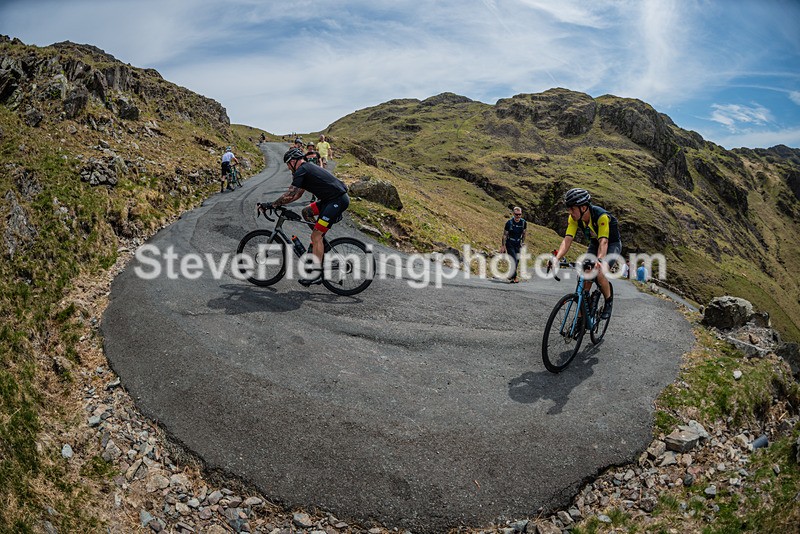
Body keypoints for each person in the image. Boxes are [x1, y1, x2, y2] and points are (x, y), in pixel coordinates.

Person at [259, 148, 350, 286]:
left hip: (336, 201)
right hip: (329, 200)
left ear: (293, 161)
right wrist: (277, 204)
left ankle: (316, 272)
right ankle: (321, 244)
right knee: (306, 212)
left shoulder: (302, 169)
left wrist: (271, 205)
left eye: (288, 164)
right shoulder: (305, 170)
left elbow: (290, 195)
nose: (288, 168)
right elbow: (297, 195)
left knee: (315, 236)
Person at [552, 188, 622, 319]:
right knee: (585, 279)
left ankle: (608, 301)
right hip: (595, 243)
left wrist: (600, 260)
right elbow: (567, 240)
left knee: (599, 272)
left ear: (583, 207)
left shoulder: (601, 216)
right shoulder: (573, 218)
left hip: (611, 244)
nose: (570, 212)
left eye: (572, 208)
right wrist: (557, 258)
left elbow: (604, 242)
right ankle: (581, 317)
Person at [500, 206, 527, 283]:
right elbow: (505, 235)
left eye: (520, 214)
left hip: (518, 243)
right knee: (513, 259)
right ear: (513, 214)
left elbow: (524, 233)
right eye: (516, 214)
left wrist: (523, 242)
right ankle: (514, 277)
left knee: (517, 260)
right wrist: (503, 245)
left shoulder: (523, 222)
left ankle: (511, 275)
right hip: (510, 243)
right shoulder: (509, 223)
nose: (518, 216)